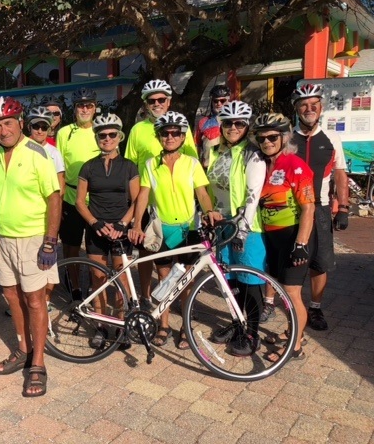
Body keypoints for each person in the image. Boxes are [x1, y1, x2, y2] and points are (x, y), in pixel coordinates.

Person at [0, 96, 61, 398]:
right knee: (11, 297)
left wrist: (50, 241)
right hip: (1, 239)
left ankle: (38, 363)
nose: (3, 130)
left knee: (35, 300)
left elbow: (54, 197)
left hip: (32, 239)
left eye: (8, 123)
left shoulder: (38, 154)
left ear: (20, 123)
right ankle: (23, 348)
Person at [129, 112, 221, 350]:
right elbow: (143, 196)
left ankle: (185, 327)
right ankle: (164, 325)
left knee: (187, 282)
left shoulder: (191, 163)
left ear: (182, 137)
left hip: (188, 228)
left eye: (175, 133)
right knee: (165, 279)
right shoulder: (150, 164)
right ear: (159, 136)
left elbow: (201, 192)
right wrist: (137, 224)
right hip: (162, 229)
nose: (169, 137)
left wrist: (209, 210)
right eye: (165, 133)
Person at [124, 79, 198, 311]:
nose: (156, 103)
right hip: (146, 203)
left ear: (169, 101)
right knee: (149, 254)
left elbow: (193, 166)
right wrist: (135, 206)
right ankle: (148, 297)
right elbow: (131, 167)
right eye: (151, 100)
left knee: (181, 257)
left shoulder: (180, 127)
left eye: (161, 99)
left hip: (177, 205)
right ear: (145, 103)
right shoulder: (137, 130)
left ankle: (179, 299)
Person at [206, 101, 267, 356]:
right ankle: (236, 323)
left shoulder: (252, 153)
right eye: (228, 123)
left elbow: (253, 194)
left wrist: (241, 229)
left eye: (239, 123)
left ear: (247, 125)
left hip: (246, 227)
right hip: (222, 225)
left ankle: (251, 332)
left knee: (250, 280)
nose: (233, 127)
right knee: (229, 278)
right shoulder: (215, 151)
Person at [253, 113, 315, 362]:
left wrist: (300, 245)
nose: (267, 142)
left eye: (272, 137)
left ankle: (295, 347)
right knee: (283, 291)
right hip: (272, 237)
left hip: (293, 236)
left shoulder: (295, 165)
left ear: (284, 137)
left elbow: (309, 207)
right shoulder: (265, 165)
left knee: (291, 293)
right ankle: (293, 333)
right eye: (262, 138)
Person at [287, 83, 349, 331]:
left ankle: (315, 308)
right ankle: (281, 302)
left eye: (314, 104)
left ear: (321, 108)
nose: (309, 108)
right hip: (290, 208)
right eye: (303, 104)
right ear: (296, 108)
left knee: (319, 262)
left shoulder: (332, 138)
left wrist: (343, 207)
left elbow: (340, 174)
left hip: (320, 207)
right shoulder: (286, 137)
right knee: (286, 259)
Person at [75, 113, 139, 348]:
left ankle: (121, 325)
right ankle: (101, 324)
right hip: (97, 228)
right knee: (99, 277)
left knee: (122, 278)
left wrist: (123, 223)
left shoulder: (129, 166)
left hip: (121, 228)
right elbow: (80, 202)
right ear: (96, 138)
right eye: (102, 135)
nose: (107, 139)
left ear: (119, 137)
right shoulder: (88, 167)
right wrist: (95, 223)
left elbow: (136, 200)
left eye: (112, 135)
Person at [56, 88, 100, 299]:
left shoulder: (102, 130)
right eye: (80, 105)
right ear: (74, 109)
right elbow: (60, 168)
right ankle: (74, 287)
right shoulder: (65, 132)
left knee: (95, 250)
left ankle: (94, 289)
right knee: (71, 246)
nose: (85, 109)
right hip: (72, 198)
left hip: (97, 199)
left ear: (95, 108)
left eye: (89, 105)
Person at [27, 106, 65, 193]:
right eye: (36, 127)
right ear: (29, 127)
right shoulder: (20, 148)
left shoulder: (54, 153)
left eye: (44, 127)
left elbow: (61, 183)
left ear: (48, 130)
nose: (40, 131)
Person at [196, 84, 231, 168]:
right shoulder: (203, 122)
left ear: (228, 100)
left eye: (222, 101)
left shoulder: (235, 121)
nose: (219, 104)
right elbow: (197, 146)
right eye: (215, 101)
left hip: (228, 168)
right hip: (208, 168)